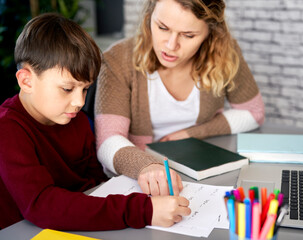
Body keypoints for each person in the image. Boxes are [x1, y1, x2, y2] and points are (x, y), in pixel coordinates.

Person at [0, 13, 191, 230]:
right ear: (26, 81)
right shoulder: (7, 129)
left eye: (85, 89)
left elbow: (95, 184)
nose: (79, 101)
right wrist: (144, 210)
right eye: (67, 89)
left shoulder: (77, 121)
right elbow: (41, 205)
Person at [95, 0, 265, 193]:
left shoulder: (224, 53)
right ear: (149, 16)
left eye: (188, 35)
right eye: (162, 27)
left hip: (203, 175)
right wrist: (147, 166)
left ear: (211, 32)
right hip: (139, 180)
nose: (170, 45)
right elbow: (108, 141)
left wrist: (189, 135)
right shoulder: (118, 59)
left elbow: (254, 112)